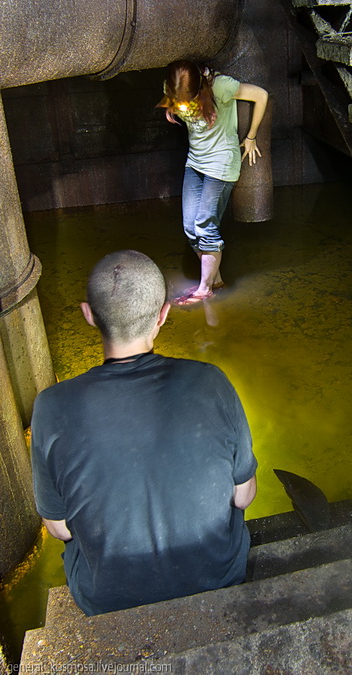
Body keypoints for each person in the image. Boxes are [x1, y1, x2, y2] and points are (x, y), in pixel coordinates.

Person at [30, 250, 257, 616]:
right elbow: (243, 497)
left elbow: (60, 529)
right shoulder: (210, 381)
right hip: (216, 577)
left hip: (108, 598)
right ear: (163, 314)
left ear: (88, 314)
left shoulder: (51, 407)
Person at [158, 59, 269, 302]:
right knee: (190, 228)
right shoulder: (172, 89)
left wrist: (251, 137)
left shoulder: (220, 86)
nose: (183, 105)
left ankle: (204, 289)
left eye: (189, 100)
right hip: (195, 163)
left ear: (200, 88)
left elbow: (261, 95)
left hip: (221, 164)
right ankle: (215, 280)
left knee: (204, 225)